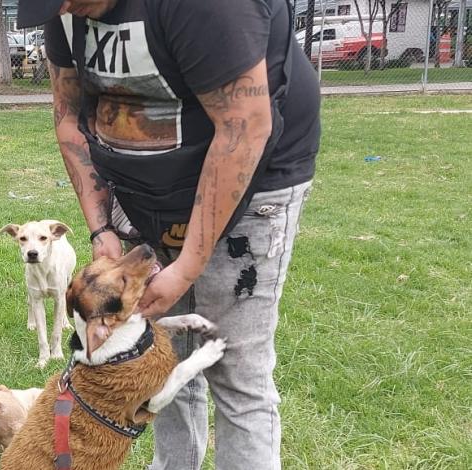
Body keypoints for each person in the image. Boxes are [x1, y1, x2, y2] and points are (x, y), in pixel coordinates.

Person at [17, 0, 320, 469]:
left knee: (236, 373)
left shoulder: (207, 8)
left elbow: (245, 128)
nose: (67, 12)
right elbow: (69, 116)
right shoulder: (64, 11)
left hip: (251, 185)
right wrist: (100, 227)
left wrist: (187, 268)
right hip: (143, 193)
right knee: (163, 363)